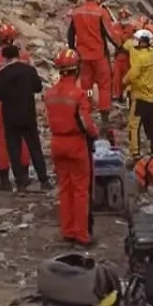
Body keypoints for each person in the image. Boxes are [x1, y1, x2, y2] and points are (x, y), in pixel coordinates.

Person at [45, 48, 99, 244]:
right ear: (76, 70)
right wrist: (95, 133)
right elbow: (85, 122)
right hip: (75, 144)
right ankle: (82, 234)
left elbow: (47, 118)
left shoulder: (50, 94)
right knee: (80, 190)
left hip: (57, 142)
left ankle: (67, 231)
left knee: (64, 188)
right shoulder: (79, 95)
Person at [0, 43, 52, 192]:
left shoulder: (2, 73)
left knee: (13, 149)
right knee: (34, 147)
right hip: (28, 114)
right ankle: (44, 179)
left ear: (5, 57)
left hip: (10, 116)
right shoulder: (29, 70)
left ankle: (20, 182)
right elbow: (38, 87)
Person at [67, 0, 119, 129]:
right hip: (99, 56)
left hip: (83, 57)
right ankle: (104, 117)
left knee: (86, 87)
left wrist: (73, 51)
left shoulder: (76, 13)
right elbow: (110, 34)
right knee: (104, 86)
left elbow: (70, 34)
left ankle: (86, 113)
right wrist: (121, 48)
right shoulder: (101, 13)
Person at [0, 23, 31, 191]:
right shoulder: (25, 57)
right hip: (22, 103)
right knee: (22, 138)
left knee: (2, 140)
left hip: (1, 103)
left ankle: (5, 179)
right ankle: (24, 175)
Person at [125, 28, 153, 156]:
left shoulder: (140, 58)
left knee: (134, 126)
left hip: (140, 97)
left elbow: (131, 76)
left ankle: (135, 153)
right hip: (152, 97)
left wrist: (124, 83)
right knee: (150, 125)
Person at [111, 6, 133, 99]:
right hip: (118, 55)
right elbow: (113, 39)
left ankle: (126, 94)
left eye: (126, 18)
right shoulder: (114, 27)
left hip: (129, 56)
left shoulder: (132, 28)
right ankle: (116, 94)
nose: (124, 20)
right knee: (116, 76)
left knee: (127, 76)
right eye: (122, 18)